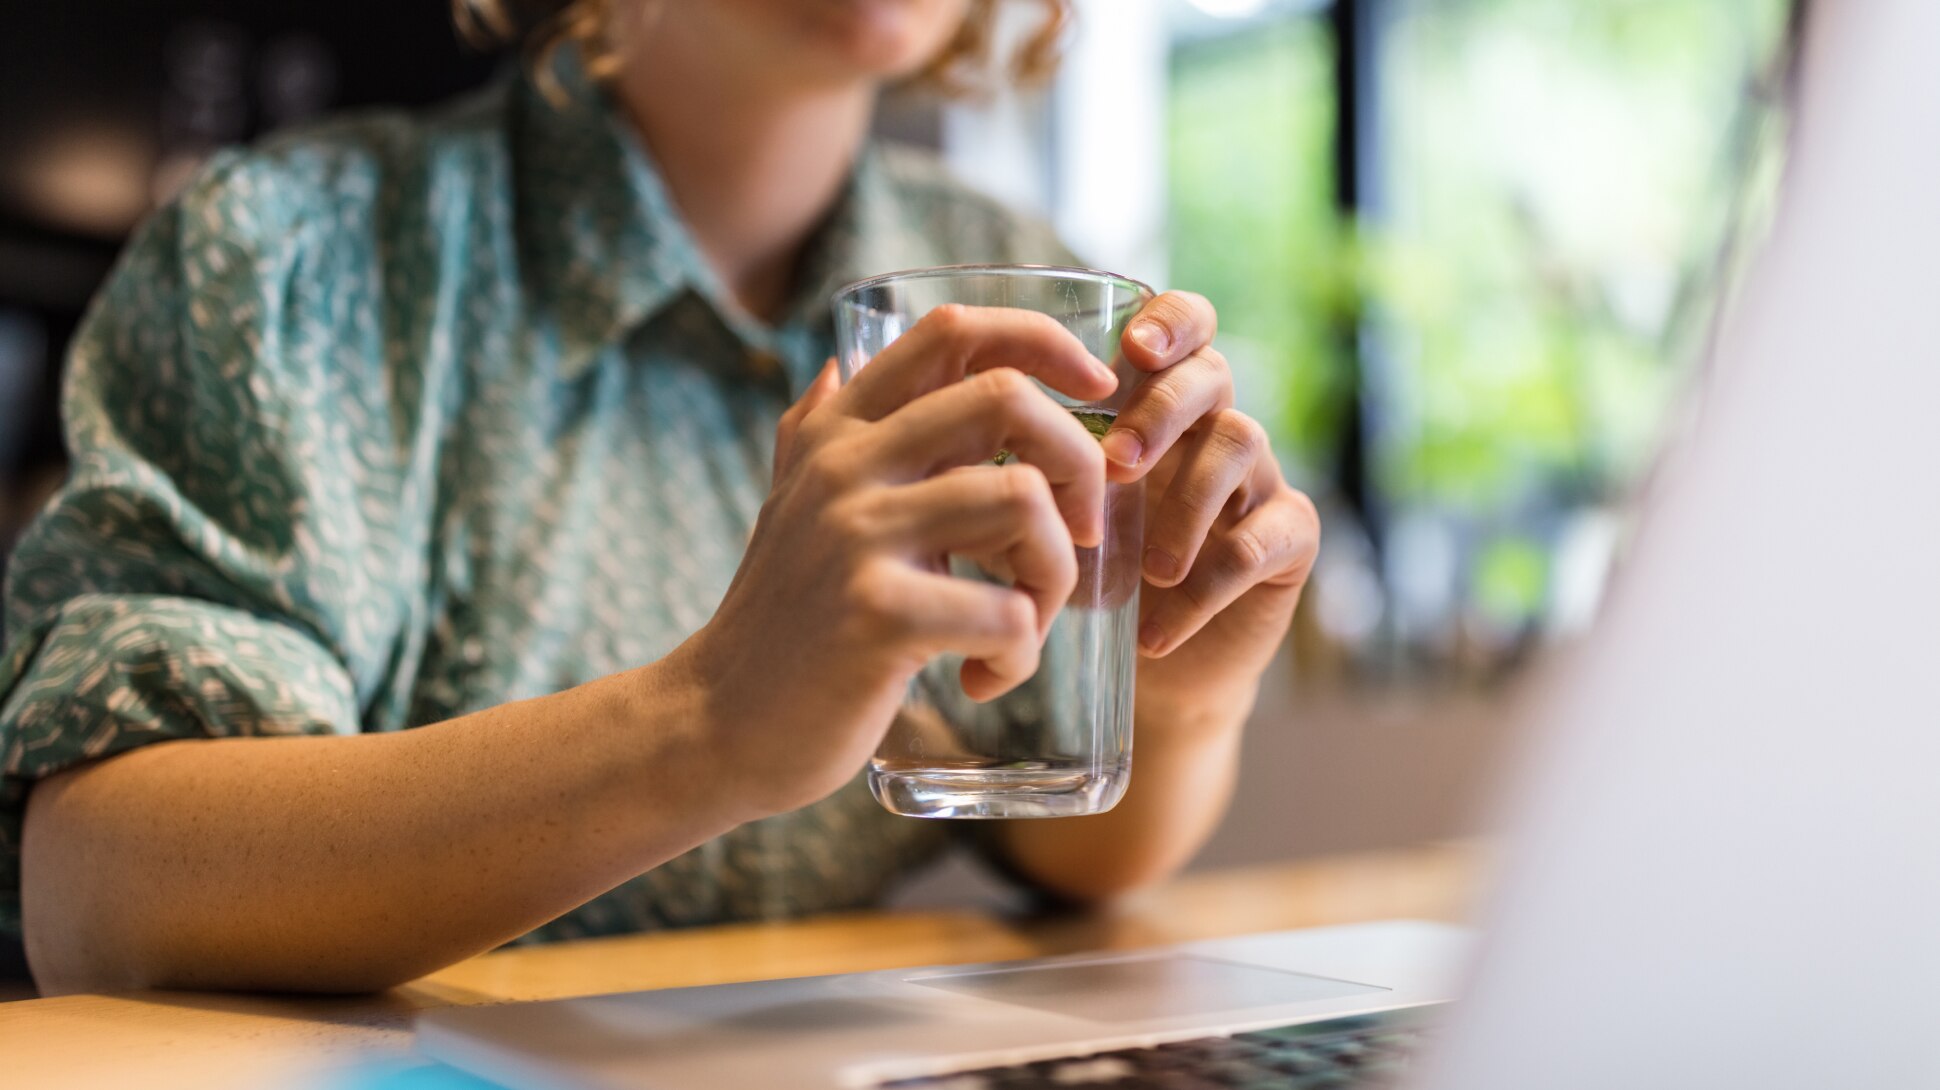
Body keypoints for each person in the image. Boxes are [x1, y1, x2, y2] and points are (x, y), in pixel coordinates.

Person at [0, 0, 1320, 996]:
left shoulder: (1031, 279)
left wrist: (1183, 689)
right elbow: (98, 897)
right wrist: (703, 721)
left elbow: (1075, 849)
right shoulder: (296, 261)